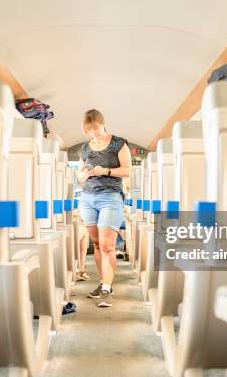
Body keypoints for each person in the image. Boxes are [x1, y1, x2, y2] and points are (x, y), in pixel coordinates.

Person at [77, 109, 131, 308]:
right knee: (98, 244)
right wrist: (85, 175)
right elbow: (79, 176)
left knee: (108, 246)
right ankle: (103, 283)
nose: (93, 133)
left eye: (96, 128)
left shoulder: (118, 143)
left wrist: (105, 171)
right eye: (89, 130)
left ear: (102, 123)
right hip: (87, 198)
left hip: (110, 197)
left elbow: (127, 170)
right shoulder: (84, 149)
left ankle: (107, 290)